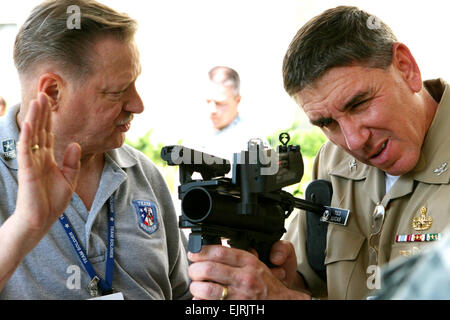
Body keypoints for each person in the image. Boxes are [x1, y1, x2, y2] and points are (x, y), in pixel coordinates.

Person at [187, 6, 450, 300]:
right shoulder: (334, 163)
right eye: (327, 123)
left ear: (406, 68)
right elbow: (314, 284)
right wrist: (286, 282)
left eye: (359, 104)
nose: (352, 141)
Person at [0, 0, 191, 299]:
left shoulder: (142, 173)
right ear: (52, 92)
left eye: (134, 84)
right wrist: (25, 226)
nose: (137, 105)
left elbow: (183, 295)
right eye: (116, 92)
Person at [185, 66, 267, 162]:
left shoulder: (253, 142)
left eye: (219, 103)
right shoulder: (194, 139)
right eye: (208, 102)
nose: (212, 110)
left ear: (237, 100)